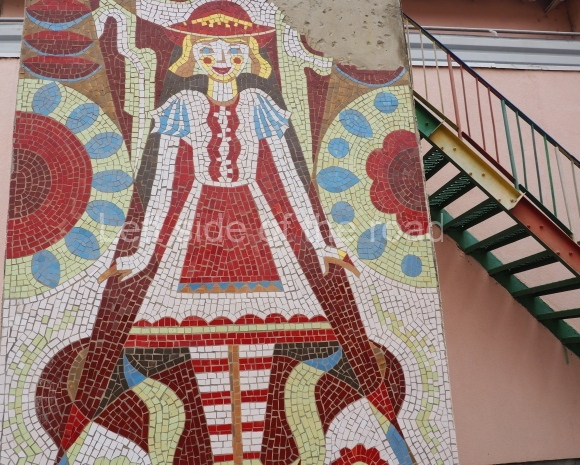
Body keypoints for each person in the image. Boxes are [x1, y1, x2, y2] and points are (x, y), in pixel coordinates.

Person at [40, 3, 416, 464]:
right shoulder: (183, 105)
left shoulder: (259, 103)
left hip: (256, 226)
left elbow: (290, 179)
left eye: (234, 51)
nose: (222, 59)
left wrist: (320, 244)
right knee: (197, 341)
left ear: (250, 55)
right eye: (210, 50)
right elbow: (162, 184)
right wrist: (141, 254)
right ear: (193, 55)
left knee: (266, 338)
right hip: (197, 225)